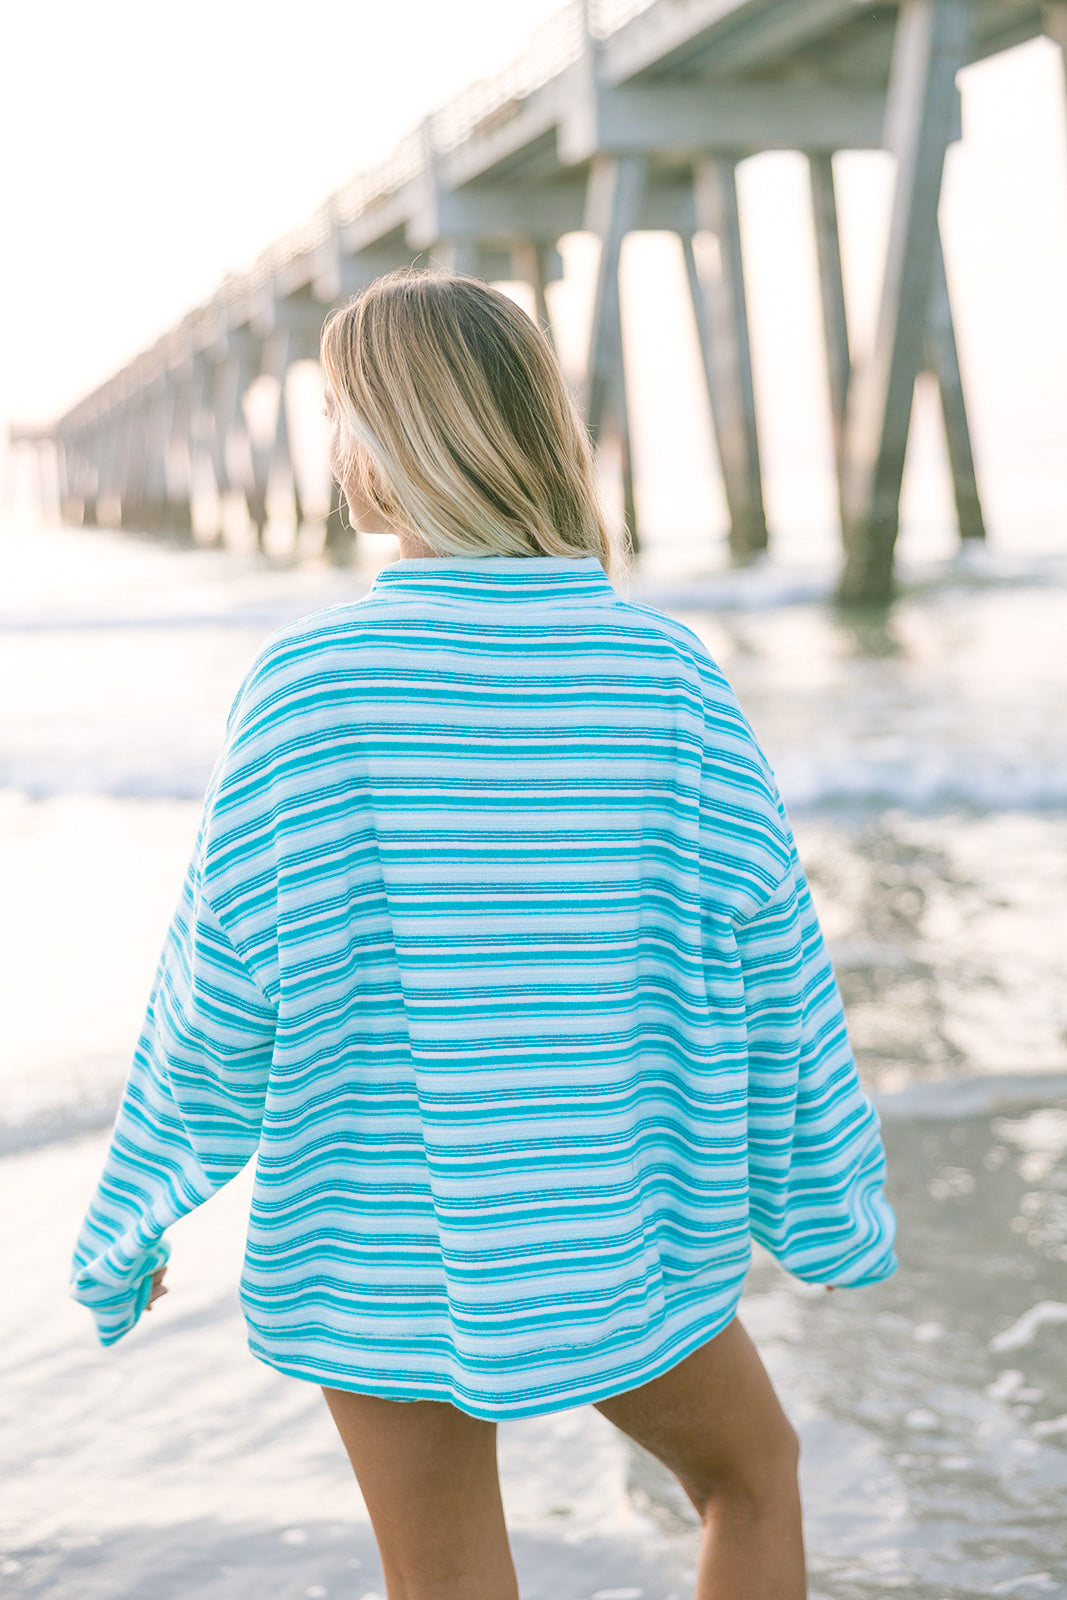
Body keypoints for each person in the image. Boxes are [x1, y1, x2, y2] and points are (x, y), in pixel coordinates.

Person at [70, 266, 898, 1600]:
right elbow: (775, 968)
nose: (335, 449)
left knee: (448, 1579)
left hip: (382, 1237)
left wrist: (137, 1210)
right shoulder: (667, 676)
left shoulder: (313, 689)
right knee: (752, 1480)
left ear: (402, 443)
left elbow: (223, 983)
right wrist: (828, 1208)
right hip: (616, 1224)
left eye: (345, 413)